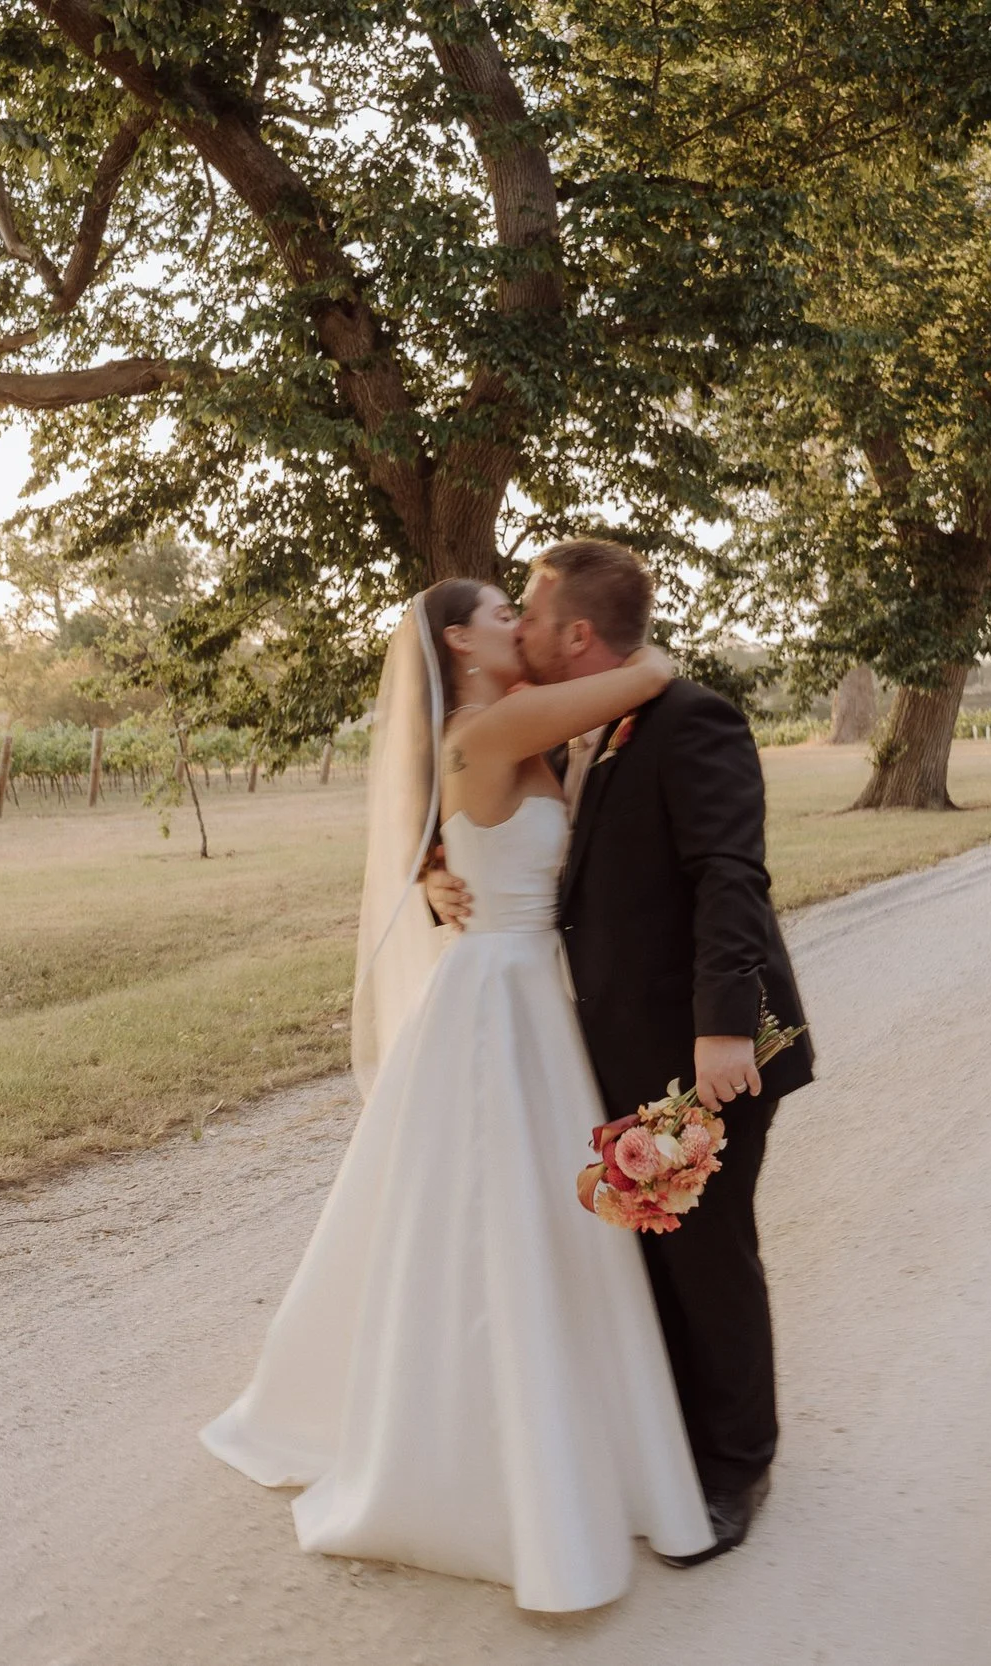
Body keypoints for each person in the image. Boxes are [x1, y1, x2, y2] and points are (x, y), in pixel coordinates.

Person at [201, 577, 715, 1612]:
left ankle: (566, 1441)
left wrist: (438, 865)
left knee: (535, 1222)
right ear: (460, 642)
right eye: (501, 615)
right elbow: (642, 676)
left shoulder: (496, 728)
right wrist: (637, 651)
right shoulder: (494, 726)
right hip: (500, 998)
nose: (518, 624)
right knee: (508, 1219)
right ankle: (495, 1462)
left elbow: (460, 834)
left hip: (521, 987)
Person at [426, 538, 815, 1565]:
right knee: (650, 1251)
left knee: (707, 1254)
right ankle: (674, 1442)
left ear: (575, 635)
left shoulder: (691, 717)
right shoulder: (570, 731)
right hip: (605, 1042)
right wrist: (437, 876)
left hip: (704, 1048)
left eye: (532, 614)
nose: (522, 629)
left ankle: (736, 1466)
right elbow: (489, 823)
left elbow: (731, 873)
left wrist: (723, 1026)